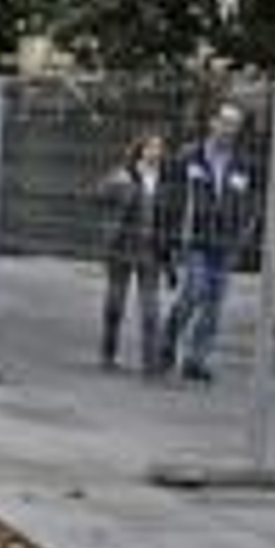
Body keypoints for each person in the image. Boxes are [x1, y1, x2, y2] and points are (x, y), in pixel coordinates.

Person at [162, 101, 254, 382]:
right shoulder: (189, 156)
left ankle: (196, 360)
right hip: (194, 239)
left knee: (215, 303)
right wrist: (173, 236)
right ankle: (168, 340)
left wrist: (244, 233)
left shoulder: (242, 162)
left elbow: (250, 202)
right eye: (224, 121)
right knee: (195, 292)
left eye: (234, 124)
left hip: (225, 242)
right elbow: (172, 196)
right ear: (213, 123)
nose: (229, 129)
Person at [97, 131, 171, 375]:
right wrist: (116, 187)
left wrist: (168, 251)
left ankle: (150, 362)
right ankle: (108, 354)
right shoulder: (124, 174)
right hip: (123, 248)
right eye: (151, 147)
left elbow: (169, 214)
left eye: (159, 148)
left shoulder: (165, 179)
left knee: (151, 308)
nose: (156, 152)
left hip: (151, 251)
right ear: (141, 149)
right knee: (114, 305)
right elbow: (99, 195)